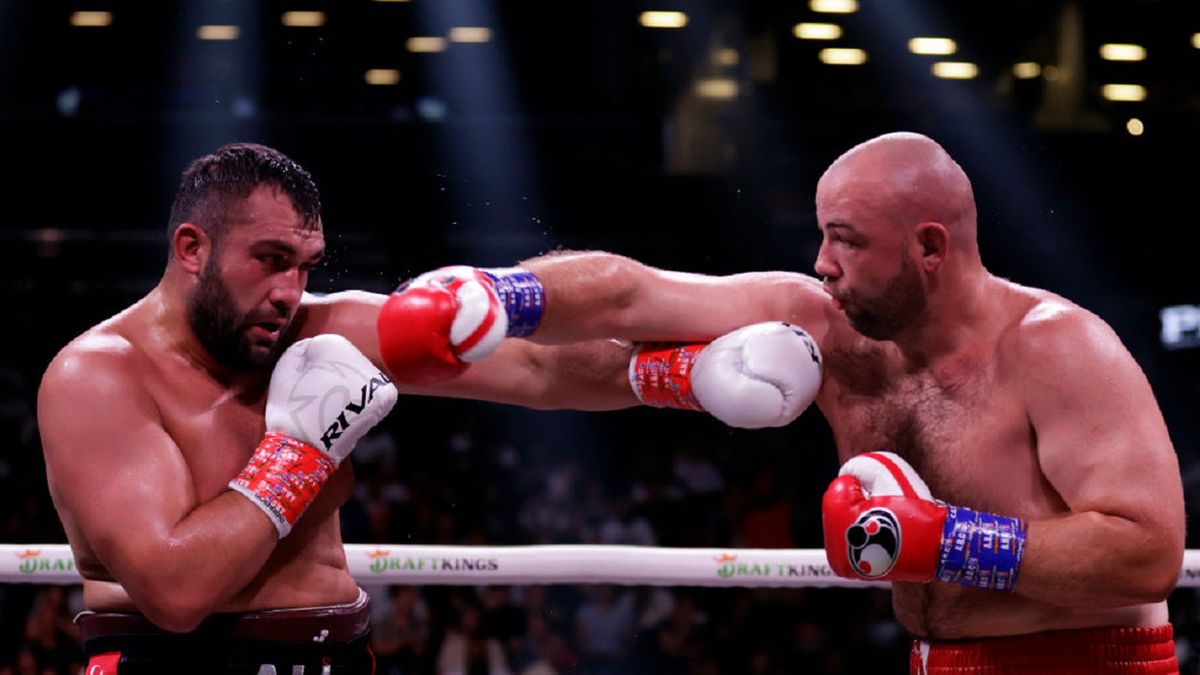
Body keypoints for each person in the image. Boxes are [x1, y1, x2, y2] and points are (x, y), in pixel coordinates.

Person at [386, 131, 1186, 673]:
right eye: (821, 235)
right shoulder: (828, 325)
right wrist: (502, 295)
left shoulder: (1056, 346)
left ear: (931, 247)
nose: (822, 262)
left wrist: (947, 540)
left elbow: (1147, 549)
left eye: (847, 239)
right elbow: (632, 297)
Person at [37, 143, 820, 673]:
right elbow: (174, 592)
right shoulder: (97, 377)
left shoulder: (317, 328)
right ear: (191, 249)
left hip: (337, 654)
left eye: (305, 266)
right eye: (269, 262)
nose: (289, 292)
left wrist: (685, 374)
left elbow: (534, 368)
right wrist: (301, 452)